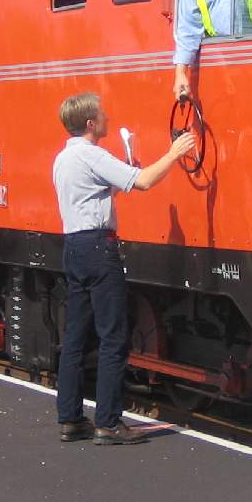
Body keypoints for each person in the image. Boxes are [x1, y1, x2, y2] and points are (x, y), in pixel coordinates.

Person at [52, 92, 195, 444]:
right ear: (90, 123)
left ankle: (70, 418)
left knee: (74, 338)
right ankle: (109, 422)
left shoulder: (63, 158)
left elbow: (100, 194)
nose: (107, 118)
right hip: (100, 248)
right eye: (101, 114)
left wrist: (125, 177)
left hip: (73, 246)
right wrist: (175, 154)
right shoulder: (92, 154)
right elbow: (144, 182)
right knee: (113, 337)